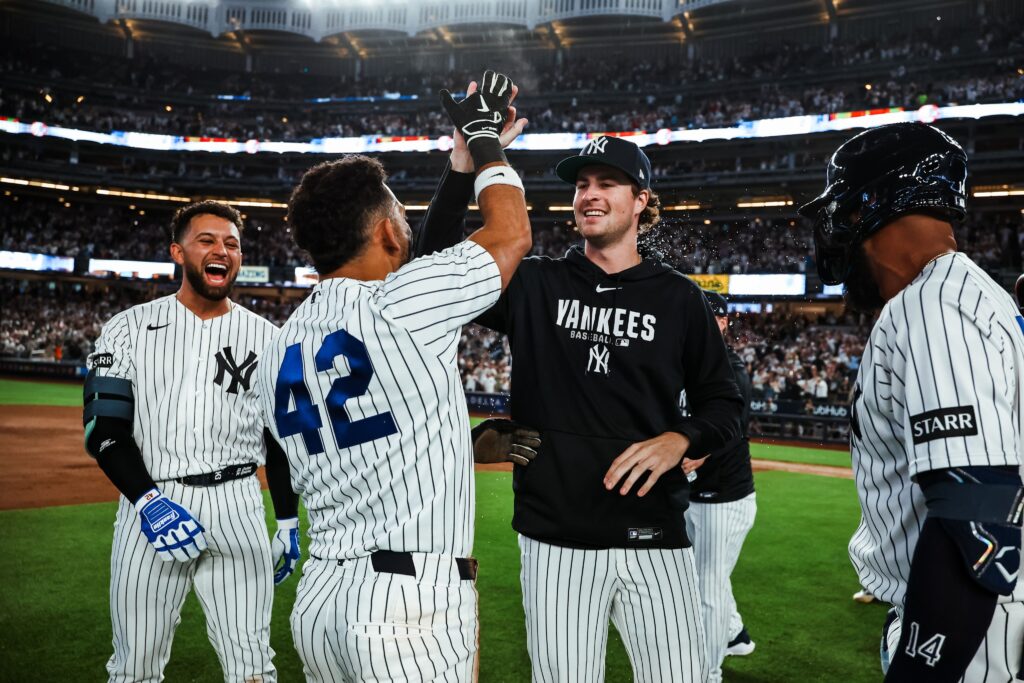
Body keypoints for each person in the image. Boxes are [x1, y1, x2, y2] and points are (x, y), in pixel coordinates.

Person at [422, 134, 743, 682]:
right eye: (582, 184)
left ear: (641, 200)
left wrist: (682, 439)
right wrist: (462, 166)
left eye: (607, 183)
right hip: (556, 539)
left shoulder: (680, 298)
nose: (589, 194)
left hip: (655, 537)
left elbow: (724, 404)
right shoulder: (534, 283)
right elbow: (436, 266)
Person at [257, 70, 531, 682]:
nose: (409, 229)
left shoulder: (280, 343)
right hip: (406, 605)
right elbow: (511, 233)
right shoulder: (402, 304)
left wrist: (458, 167)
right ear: (385, 231)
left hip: (320, 597)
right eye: (402, 218)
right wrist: (485, 139)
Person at [798, 122, 1024, 681]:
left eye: (844, 211)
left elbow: (977, 515)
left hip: (972, 635)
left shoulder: (933, 305)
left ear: (869, 206)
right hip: (986, 620)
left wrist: (920, 670)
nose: (837, 230)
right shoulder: (973, 294)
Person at [83, 200, 300, 683]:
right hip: (151, 503)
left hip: (239, 505)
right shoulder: (127, 328)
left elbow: (278, 441)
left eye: (232, 244)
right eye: (207, 241)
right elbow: (104, 430)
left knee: (253, 667)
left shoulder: (269, 337)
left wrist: (287, 517)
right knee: (135, 665)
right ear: (178, 253)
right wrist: (149, 502)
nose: (222, 250)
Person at [681, 290, 757, 679]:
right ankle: (735, 635)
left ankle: (708, 673)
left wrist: (698, 451)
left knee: (706, 589)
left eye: (708, 317)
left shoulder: (731, 367)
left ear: (724, 323)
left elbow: (729, 426)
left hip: (724, 497)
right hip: (692, 494)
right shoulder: (682, 361)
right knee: (704, 578)